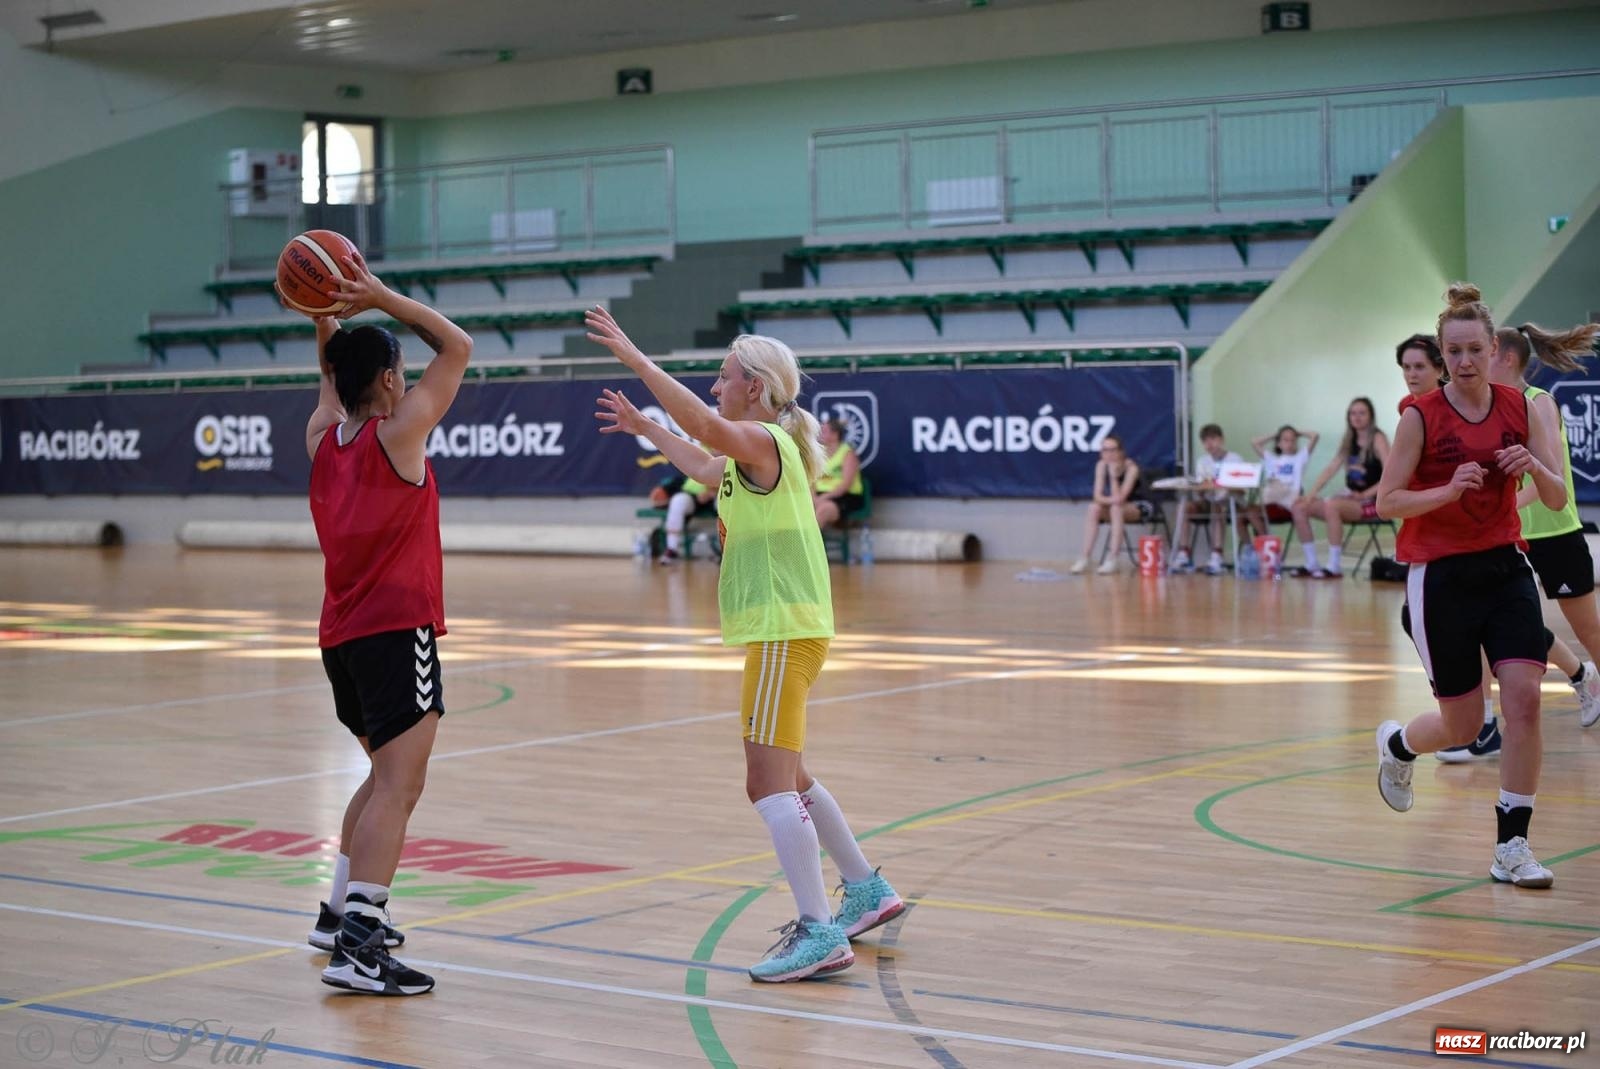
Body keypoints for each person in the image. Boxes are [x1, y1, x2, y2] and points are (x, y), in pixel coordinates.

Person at [587, 307, 903, 982]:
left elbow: (705, 430)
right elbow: (703, 462)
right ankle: (865, 888)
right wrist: (647, 428)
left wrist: (637, 359)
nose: (713, 384)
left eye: (723, 375)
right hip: (794, 629)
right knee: (790, 776)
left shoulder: (764, 441)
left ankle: (820, 930)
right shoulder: (751, 454)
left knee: (765, 783)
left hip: (782, 632)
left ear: (754, 387)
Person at [299, 252, 473, 995]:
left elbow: (332, 387)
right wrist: (380, 297)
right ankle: (362, 947)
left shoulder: (322, 445)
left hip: (340, 637)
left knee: (381, 778)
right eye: (400, 370)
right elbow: (458, 346)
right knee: (400, 787)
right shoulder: (398, 437)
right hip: (397, 631)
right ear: (393, 381)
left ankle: (336, 914)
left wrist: (325, 323)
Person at [1375, 283, 1568, 889]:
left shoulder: (1521, 407)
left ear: (1494, 351)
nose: (1463, 361)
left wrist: (1532, 467)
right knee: (1461, 726)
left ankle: (1513, 845)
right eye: (1452, 351)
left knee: (1525, 700)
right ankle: (1400, 745)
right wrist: (1447, 490)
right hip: (1441, 576)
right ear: (1442, 353)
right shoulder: (1420, 417)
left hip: (1506, 566)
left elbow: (1560, 496)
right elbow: (1386, 502)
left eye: (1473, 350)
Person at [1489, 319, 1600, 729]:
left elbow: (1547, 476)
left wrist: (1507, 507)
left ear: (1506, 357)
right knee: (1506, 622)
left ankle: (1588, 675)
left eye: (1485, 352)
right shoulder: (1490, 407)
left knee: (1589, 630)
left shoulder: (1538, 402)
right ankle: (1580, 678)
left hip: (1554, 533)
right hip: (1509, 538)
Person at [1291, 397, 1389, 578]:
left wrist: (1365, 494)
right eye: (1353, 413)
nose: (1357, 417)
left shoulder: (1377, 438)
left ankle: (1334, 565)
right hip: (1350, 498)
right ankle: (1311, 562)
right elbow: (1330, 469)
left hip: (1373, 502)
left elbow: (1391, 474)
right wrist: (1310, 495)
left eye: (1361, 413)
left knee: (1332, 505)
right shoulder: (1348, 440)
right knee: (1299, 507)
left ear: (1370, 416)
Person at [1070, 434, 1155, 575]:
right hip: (1116, 505)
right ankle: (1085, 557)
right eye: (1104, 450)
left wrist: (1113, 477)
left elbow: (1121, 498)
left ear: (1121, 452)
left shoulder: (1131, 468)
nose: (1108, 454)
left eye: (1112, 450)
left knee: (1116, 509)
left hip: (1140, 506)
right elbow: (1097, 496)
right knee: (1093, 508)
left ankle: (1112, 559)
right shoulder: (1100, 465)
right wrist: (1108, 500)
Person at [1171, 424, 1240, 576]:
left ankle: (1217, 555)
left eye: (1213, 439)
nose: (1209, 444)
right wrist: (1202, 489)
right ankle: (1184, 553)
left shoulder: (1234, 459)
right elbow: (1201, 486)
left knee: (1217, 507)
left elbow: (1240, 486)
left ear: (1221, 440)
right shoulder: (1202, 461)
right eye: (1205, 441)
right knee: (1183, 508)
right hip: (1209, 499)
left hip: (1229, 502)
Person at [1246, 425, 1319, 535]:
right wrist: (1276, 434)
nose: (1289, 443)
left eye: (1293, 440)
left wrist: (1297, 432)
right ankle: (1265, 543)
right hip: (1272, 500)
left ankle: (1269, 543)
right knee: (1250, 512)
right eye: (1285, 440)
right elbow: (1254, 442)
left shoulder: (1300, 458)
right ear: (1279, 443)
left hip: (1290, 501)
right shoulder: (1271, 460)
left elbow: (1315, 436)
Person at [813, 418, 865, 530]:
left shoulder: (848, 454)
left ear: (835, 435)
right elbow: (811, 481)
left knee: (823, 510)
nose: (820, 433)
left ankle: (806, 545)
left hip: (844, 497)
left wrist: (823, 498)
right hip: (820, 495)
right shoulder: (818, 455)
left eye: (824, 431)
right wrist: (813, 498)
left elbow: (845, 485)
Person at [654, 473, 718, 563]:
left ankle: (724, 551)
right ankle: (672, 549)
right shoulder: (685, 476)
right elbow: (656, 496)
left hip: (716, 496)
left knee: (723, 501)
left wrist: (712, 493)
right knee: (678, 500)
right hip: (692, 498)